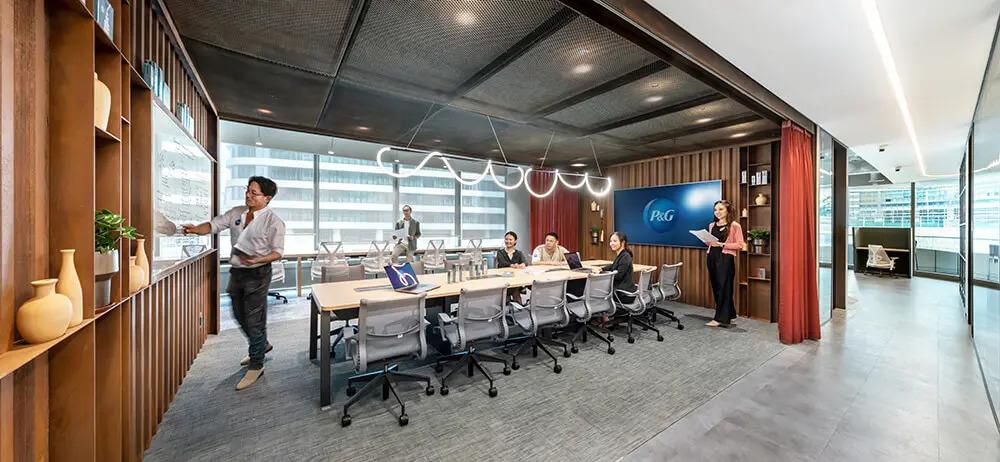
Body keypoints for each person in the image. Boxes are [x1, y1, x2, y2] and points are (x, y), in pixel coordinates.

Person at [182, 176, 285, 390]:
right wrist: (194, 229)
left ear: (267, 198)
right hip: (238, 271)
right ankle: (262, 345)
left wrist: (257, 259)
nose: (248, 195)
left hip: (258, 273)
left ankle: (257, 363)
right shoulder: (236, 213)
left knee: (254, 318)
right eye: (247, 190)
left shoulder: (273, 222)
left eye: (254, 193)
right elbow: (213, 225)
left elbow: (277, 253)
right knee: (238, 313)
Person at [705, 199, 744, 327]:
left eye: (721, 209)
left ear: (728, 210)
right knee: (717, 287)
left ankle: (720, 318)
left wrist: (722, 244)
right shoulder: (712, 225)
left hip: (725, 258)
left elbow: (739, 245)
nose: (718, 212)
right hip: (712, 257)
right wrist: (706, 239)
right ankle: (729, 314)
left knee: (724, 288)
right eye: (716, 210)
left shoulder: (734, 225)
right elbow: (710, 243)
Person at [601, 231, 635, 304]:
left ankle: (604, 313)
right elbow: (613, 266)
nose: (611, 243)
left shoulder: (625, 256)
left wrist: (604, 274)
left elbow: (618, 276)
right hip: (622, 292)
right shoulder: (622, 255)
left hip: (624, 294)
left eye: (614, 241)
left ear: (622, 243)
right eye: (610, 241)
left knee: (598, 291)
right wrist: (601, 269)